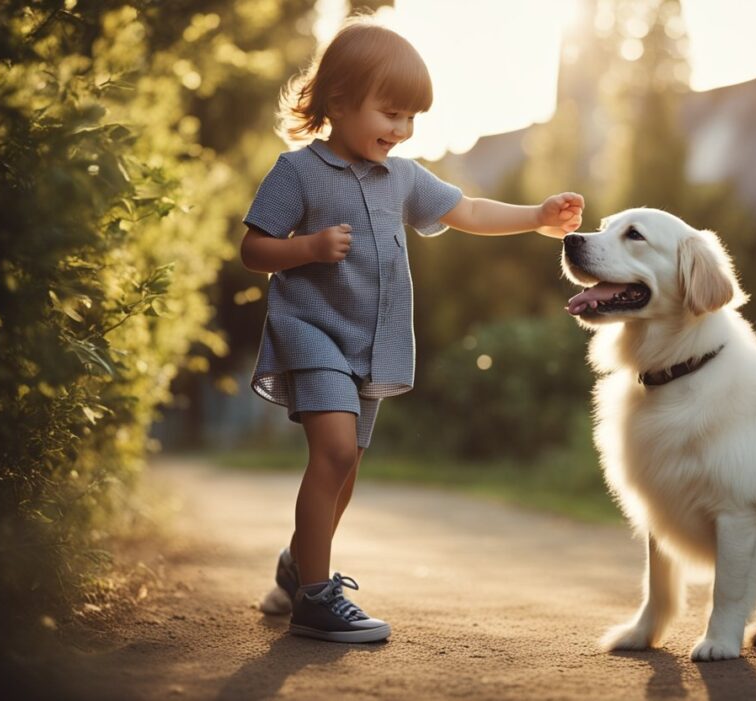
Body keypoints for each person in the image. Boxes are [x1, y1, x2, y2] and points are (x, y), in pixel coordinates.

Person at [240, 18, 583, 644]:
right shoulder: (297, 173)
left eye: (411, 120)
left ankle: (297, 567)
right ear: (339, 101)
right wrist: (309, 247)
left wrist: (536, 217)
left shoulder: (403, 177)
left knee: (346, 469)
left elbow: (469, 210)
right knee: (335, 452)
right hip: (311, 331)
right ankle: (315, 600)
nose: (400, 132)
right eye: (390, 114)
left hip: (371, 343)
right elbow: (254, 249)